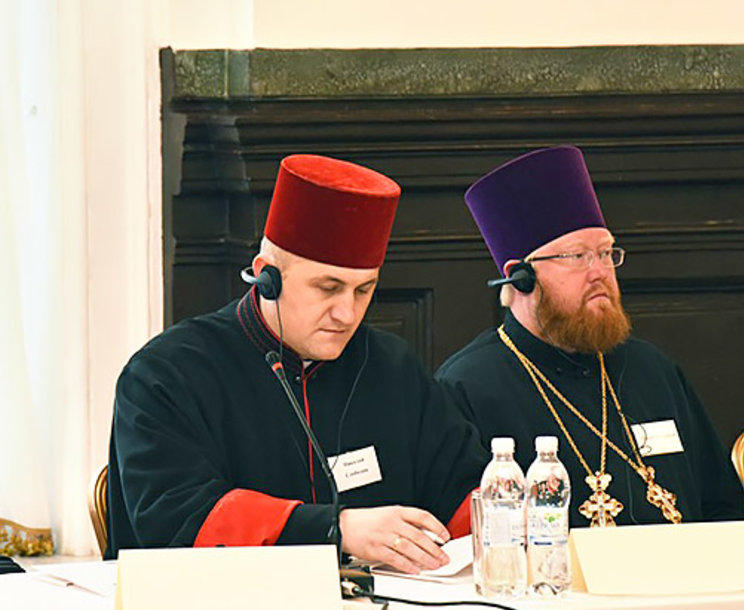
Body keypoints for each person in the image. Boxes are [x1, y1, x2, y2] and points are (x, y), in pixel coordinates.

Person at [107, 154, 488, 573]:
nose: (347, 313)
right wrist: (336, 528)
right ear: (266, 277)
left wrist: (502, 518)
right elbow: (176, 517)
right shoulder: (167, 374)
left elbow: (460, 490)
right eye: (328, 288)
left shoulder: (391, 366)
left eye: (363, 290)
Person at [436, 145, 744, 528]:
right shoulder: (466, 387)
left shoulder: (653, 369)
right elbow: (465, 539)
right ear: (521, 278)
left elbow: (725, 510)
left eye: (605, 253)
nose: (600, 271)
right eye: (577, 257)